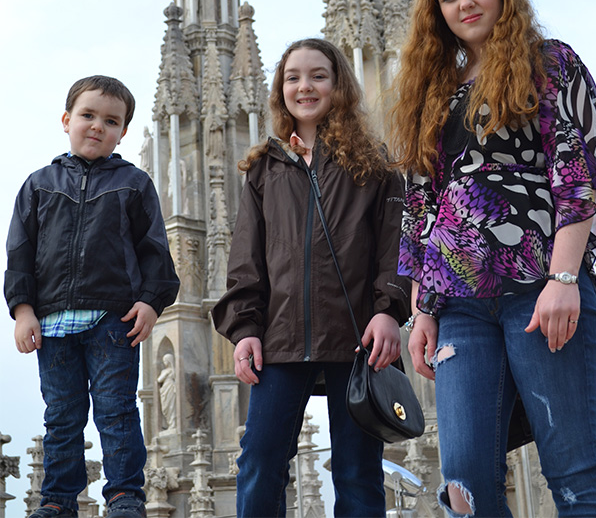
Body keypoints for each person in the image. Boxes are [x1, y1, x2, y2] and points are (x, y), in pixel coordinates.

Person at [389, 0, 596, 517]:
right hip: (458, 305)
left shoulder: (549, 62)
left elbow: (577, 174)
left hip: (538, 289)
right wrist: (422, 307)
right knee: (464, 489)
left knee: (577, 475)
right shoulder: (434, 92)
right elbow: (421, 205)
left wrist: (564, 276)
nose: (465, 4)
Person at [212, 38, 410, 517]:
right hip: (281, 338)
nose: (305, 86)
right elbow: (246, 259)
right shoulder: (265, 168)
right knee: (259, 463)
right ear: (280, 89)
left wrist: (389, 312)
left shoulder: (376, 164)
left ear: (338, 84)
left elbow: (396, 249)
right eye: (293, 77)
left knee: (357, 471)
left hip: (359, 338)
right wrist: (244, 330)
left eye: (318, 75)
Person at [4, 76, 180, 518]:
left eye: (111, 120)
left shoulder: (134, 183)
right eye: (87, 115)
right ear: (66, 120)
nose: (97, 126)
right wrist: (23, 310)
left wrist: (151, 302)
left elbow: (155, 250)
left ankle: (124, 495)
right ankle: (58, 500)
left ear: (123, 132)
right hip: (54, 322)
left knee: (117, 411)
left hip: (112, 320)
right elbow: (20, 252)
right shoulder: (39, 184)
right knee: (61, 416)